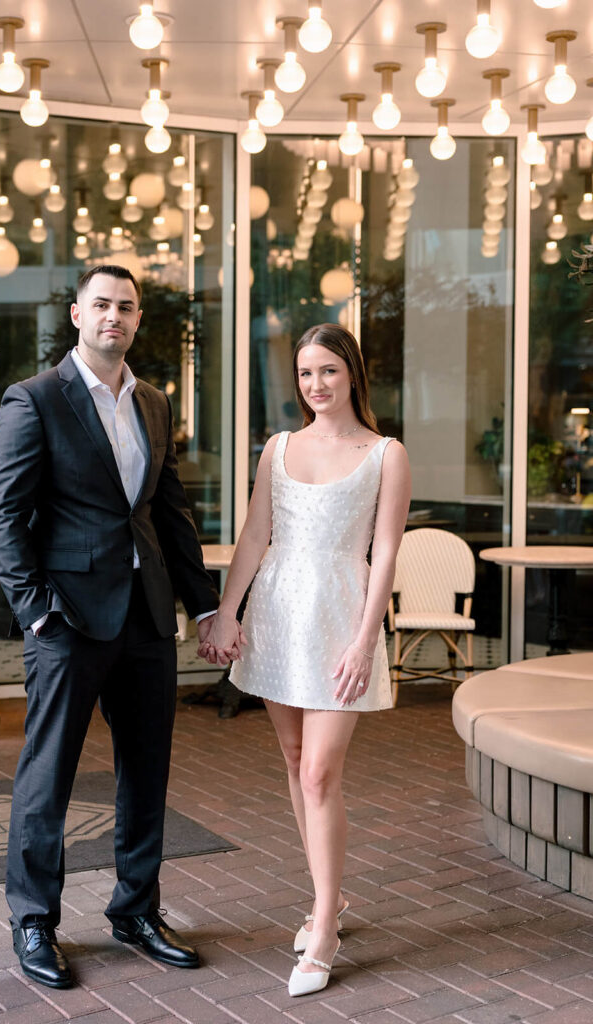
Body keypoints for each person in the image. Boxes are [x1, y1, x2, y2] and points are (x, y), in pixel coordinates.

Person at [0, 264, 243, 989]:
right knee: (49, 774)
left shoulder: (154, 403)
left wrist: (205, 604)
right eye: (102, 304)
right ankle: (33, 920)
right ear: (76, 314)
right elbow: (3, 515)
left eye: (126, 307)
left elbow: (170, 512)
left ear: (137, 319)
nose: (114, 317)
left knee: (145, 772)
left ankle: (136, 910)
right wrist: (35, 607)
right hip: (66, 620)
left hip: (145, 619)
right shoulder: (35, 400)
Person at [200, 323, 411, 997]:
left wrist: (363, 637)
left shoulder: (386, 454)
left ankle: (322, 922)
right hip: (280, 617)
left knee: (321, 770)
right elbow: (257, 533)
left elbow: (384, 555)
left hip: (341, 619)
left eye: (328, 371)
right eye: (304, 374)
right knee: (295, 763)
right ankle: (332, 897)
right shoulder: (279, 448)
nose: (316, 385)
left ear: (352, 373)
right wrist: (227, 612)